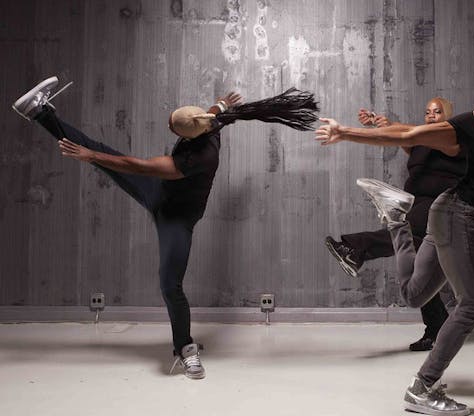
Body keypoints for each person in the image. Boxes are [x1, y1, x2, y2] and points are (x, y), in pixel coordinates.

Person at [13, 77, 318, 380]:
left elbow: (137, 166)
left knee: (170, 284)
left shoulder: (199, 157)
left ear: (188, 133)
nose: (170, 128)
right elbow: (214, 110)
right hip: (158, 191)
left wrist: (91, 157)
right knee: (100, 150)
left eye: (172, 126)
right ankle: (39, 113)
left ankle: (186, 350)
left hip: (177, 218)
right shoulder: (210, 122)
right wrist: (223, 103)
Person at [315, 60, 474, 415]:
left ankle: (396, 220)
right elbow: (409, 136)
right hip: (460, 212)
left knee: (414, 294)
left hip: (452, 213)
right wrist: (346, 132)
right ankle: (423, 387)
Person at [325, 98, 466, 351]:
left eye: (438, 111)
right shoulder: (420, 143)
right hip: (416, 204)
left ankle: (355, 249)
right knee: (417, 269)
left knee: (407, 234)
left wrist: (392, 126)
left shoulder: (450, 139)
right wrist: (380, 126)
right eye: (427, 111)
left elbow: (409, 133)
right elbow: (402, 138)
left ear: (448, 115)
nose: (431, 115)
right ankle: (437, 329)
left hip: (440, 205)